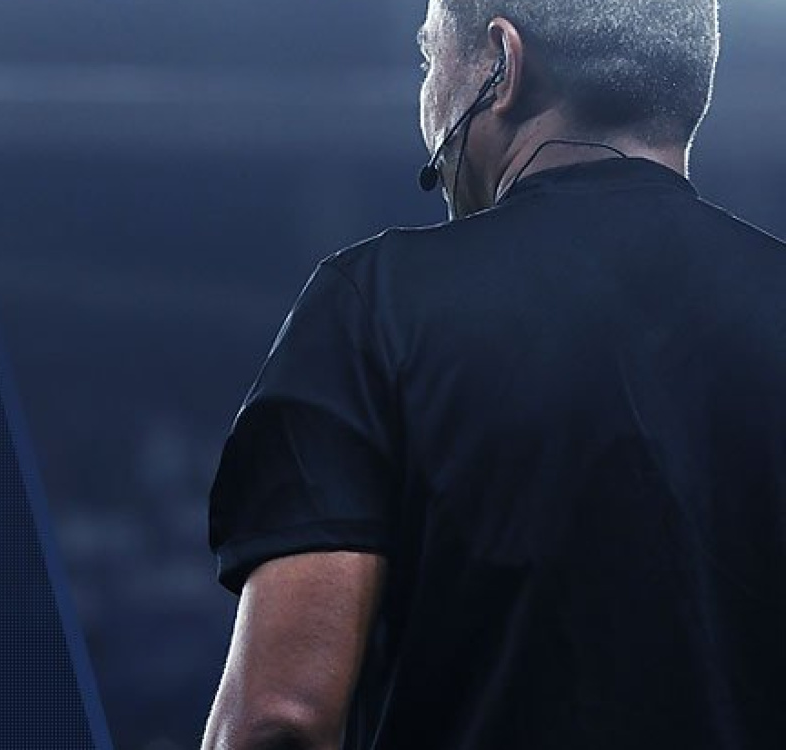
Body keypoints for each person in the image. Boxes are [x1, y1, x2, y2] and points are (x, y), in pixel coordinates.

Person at [202, 0, 786, 748]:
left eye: (429, 58)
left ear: (502, 66)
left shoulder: (374, 306)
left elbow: (280, 721)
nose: (425, 93)